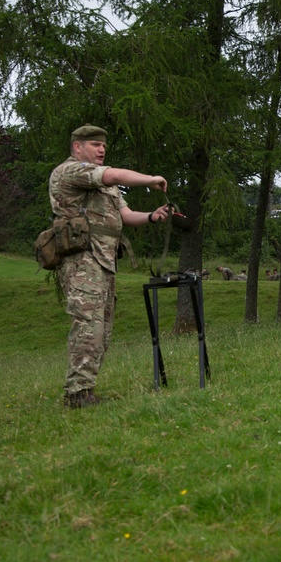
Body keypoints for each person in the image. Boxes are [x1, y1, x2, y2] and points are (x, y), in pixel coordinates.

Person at [50, 124, 170, 409]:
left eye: (103, 145)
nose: (101, 149)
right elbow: (113, 174)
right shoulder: (71, 171)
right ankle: (77, 393)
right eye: (94, 144)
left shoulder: (106, 185)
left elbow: (125, 215)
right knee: (88, 326)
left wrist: (153, 215)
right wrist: (149, 179)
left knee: (102, 329)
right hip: (82, 261)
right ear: (78, 147)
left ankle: (86, 388)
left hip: (104, 262)